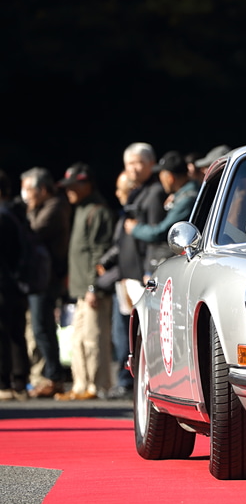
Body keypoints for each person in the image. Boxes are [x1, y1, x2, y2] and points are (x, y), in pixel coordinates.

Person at [54, 163, 115, 401]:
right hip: (80, 289)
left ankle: (97, 386)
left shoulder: (97, 211)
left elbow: (98, 253)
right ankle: (81, 385)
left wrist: (93, 286)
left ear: (86, 184)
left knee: (93, 338)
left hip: (92, 290)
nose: (68, 190)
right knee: (78, 339)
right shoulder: (81, 208)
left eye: (72, 185)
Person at [20, 167, 72, 398]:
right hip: (39, 277)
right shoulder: (45, 205)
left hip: (47, 277)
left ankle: (54, 376)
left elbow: (33, 232)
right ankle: (47, 375)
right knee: (39, 327)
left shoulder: (55, 206)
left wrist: (29, 211)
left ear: (42, 189)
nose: (26, 195)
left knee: (43, 327)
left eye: (29, 189)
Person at [97, 171, 137, 399]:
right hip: (122, 278)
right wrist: (105, 261)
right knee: (120, 332)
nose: (117, 193)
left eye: (121, 188)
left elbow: (127, 248)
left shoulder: (134, 215)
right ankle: (123, 380)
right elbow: (118, 245)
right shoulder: (125, 215)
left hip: (131, 277)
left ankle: (126, 382)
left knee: (125, 333)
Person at [118, 142, 168, 307]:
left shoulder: (155, 192)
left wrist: (148, 270)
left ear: (151, 163)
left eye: (138, 163)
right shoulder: (137, 191)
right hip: (132, 274)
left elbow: (156, 235)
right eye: (129, 164)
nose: (133, 168)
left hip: (146, 274)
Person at [124, 151, 200, 244]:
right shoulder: (182, 194)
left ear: (170, 178)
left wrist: (135, 229)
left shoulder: (187, 198)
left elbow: (162, 232)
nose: (160, 179)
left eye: (162, 174)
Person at [0, 171, 31, 401]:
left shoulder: (3, 216)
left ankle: (4, 383)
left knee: (5, 333)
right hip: (17, 282)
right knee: (16, 333)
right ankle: (19, 382)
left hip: (4, 282)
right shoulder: (16, 214)